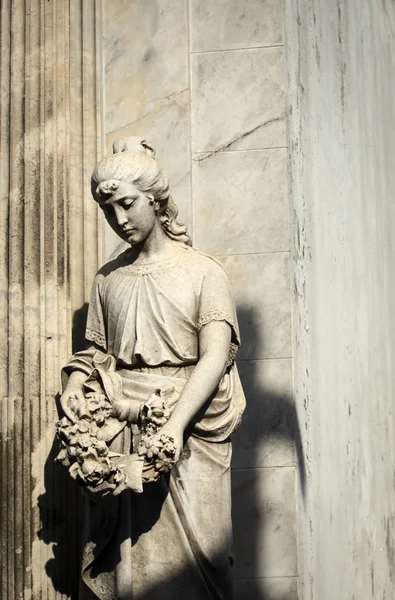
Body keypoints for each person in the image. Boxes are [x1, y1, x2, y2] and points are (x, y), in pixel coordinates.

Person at [60, 138, 246, 600]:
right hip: (121, 430)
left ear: (155, 200)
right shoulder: (108, 278)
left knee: (205, 562)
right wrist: (78, 385)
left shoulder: (204, 272)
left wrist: (175, 427)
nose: (119, 220)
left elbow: (216, 355)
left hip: (190, 425)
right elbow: (98, 353)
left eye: (127, 205)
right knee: (130, 563)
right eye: (109, 210)